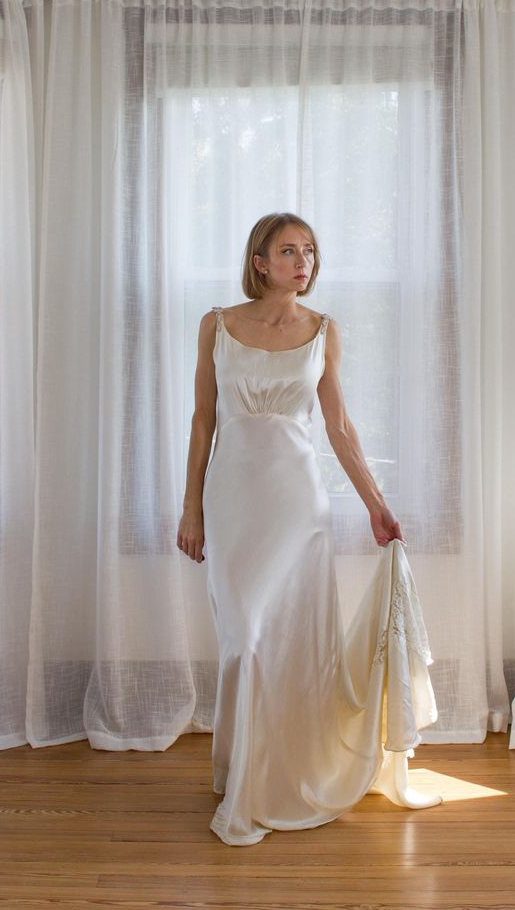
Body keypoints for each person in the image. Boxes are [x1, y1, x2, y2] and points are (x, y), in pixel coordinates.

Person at [177, 212, 440, 846]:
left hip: (300, 507)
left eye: (311, 252)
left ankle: (277, 778)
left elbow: (339, 429)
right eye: (290, 251)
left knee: (289, 643)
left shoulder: (324, 332)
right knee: (245, 640)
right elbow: (203, 423)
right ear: (260, 261)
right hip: (236, 500)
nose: (305, 262)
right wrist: (191, 508)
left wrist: (375, 503)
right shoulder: (217, 325)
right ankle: (244, 769)